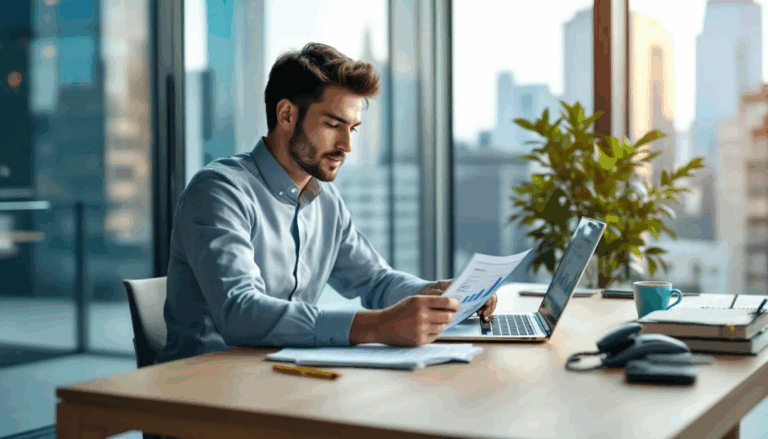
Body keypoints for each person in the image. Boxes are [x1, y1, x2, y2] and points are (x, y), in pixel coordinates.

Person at [154, 43, 497, 364]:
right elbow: (241, 313)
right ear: (286, 115)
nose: (347, 146)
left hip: (282, 375)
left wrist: (438, 294)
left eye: (353, 129)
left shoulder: (325, 201)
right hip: (204, 390)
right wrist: (375, 326)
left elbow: (375, 281)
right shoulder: (219, 191)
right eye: (333, 125)